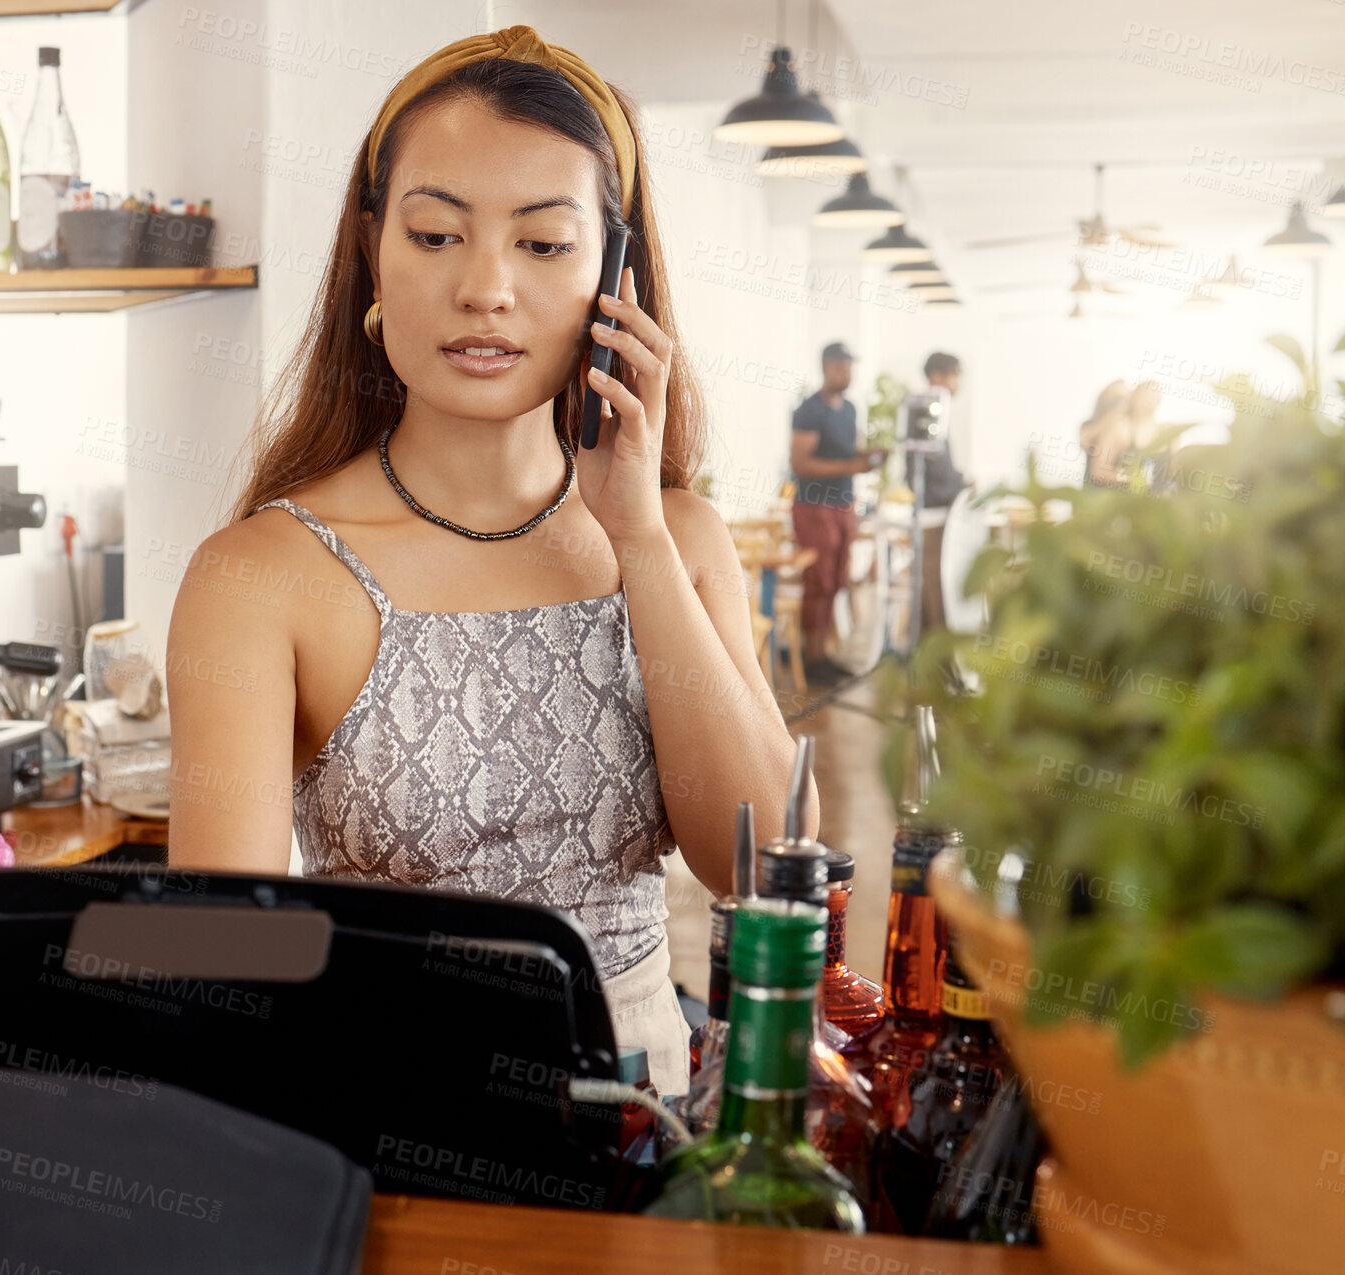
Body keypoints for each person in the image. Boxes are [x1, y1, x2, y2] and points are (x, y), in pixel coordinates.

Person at [164, 25, 818, 1096]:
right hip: (387, 1119)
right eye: (434, 236)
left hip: (646, 1122)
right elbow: (223, 959)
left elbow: (759, 862)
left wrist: (638, 543)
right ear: (370, 250)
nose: (484, 289)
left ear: (617, 273)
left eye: (543, 245)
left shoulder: (677, 537)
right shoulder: (261, 574)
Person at [788, 341, 886, 679]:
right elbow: (800, 462)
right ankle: (812, 658)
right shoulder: (809, 410)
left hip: (843, 505)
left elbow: (851, 454)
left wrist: (869, 459)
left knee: (836, 583)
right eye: (842, 366)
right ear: (827, 367)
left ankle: (823, 654)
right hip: (814, 506)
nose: (848, 373)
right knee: (818, 582)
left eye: (850, 366)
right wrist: (852, 466)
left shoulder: (850, 410)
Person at [915, 352, 973, 634]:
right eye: (955, 374)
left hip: (936, 506)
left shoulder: (937, 406)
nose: (958, 382)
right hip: (931, 510)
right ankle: (938, 656)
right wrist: (961, 482)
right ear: (938, 375)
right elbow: (932, 464)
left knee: (933, 581)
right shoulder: (929, 407)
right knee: (935, 582)